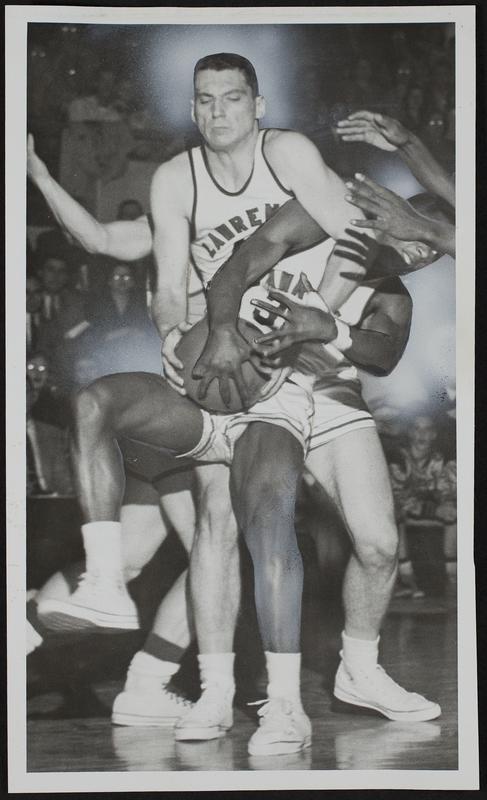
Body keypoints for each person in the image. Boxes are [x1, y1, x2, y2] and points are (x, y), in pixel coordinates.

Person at [37, 51, 377, 758]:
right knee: (207, 534)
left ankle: (154, 673)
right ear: (192, 111)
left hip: (278, 369)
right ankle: (174, 678)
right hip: (209, 377)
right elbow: (123, 256)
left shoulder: (289, 162)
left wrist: (311, 323)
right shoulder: (175, 188)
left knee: (208, 543)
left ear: (257, 106)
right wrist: (170, 331)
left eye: (232, 98)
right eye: (205, 100)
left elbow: (359, 235)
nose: (218, 110)